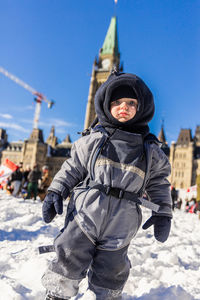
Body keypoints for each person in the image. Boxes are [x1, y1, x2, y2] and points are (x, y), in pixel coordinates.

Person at [41, 72, 173, 300]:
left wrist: (164, 213)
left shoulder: (150, 150)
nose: (124, 107)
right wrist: (56, 190)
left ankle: (108, 296)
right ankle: (57, 293)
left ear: (142, 108)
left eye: (131, 103)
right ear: (106, 105)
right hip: (86, 215)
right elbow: (73, 167)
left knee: (113, 269)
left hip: (122, 223)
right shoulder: (93, 140)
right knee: (69, 253)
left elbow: (159, 183)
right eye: (117, 102)